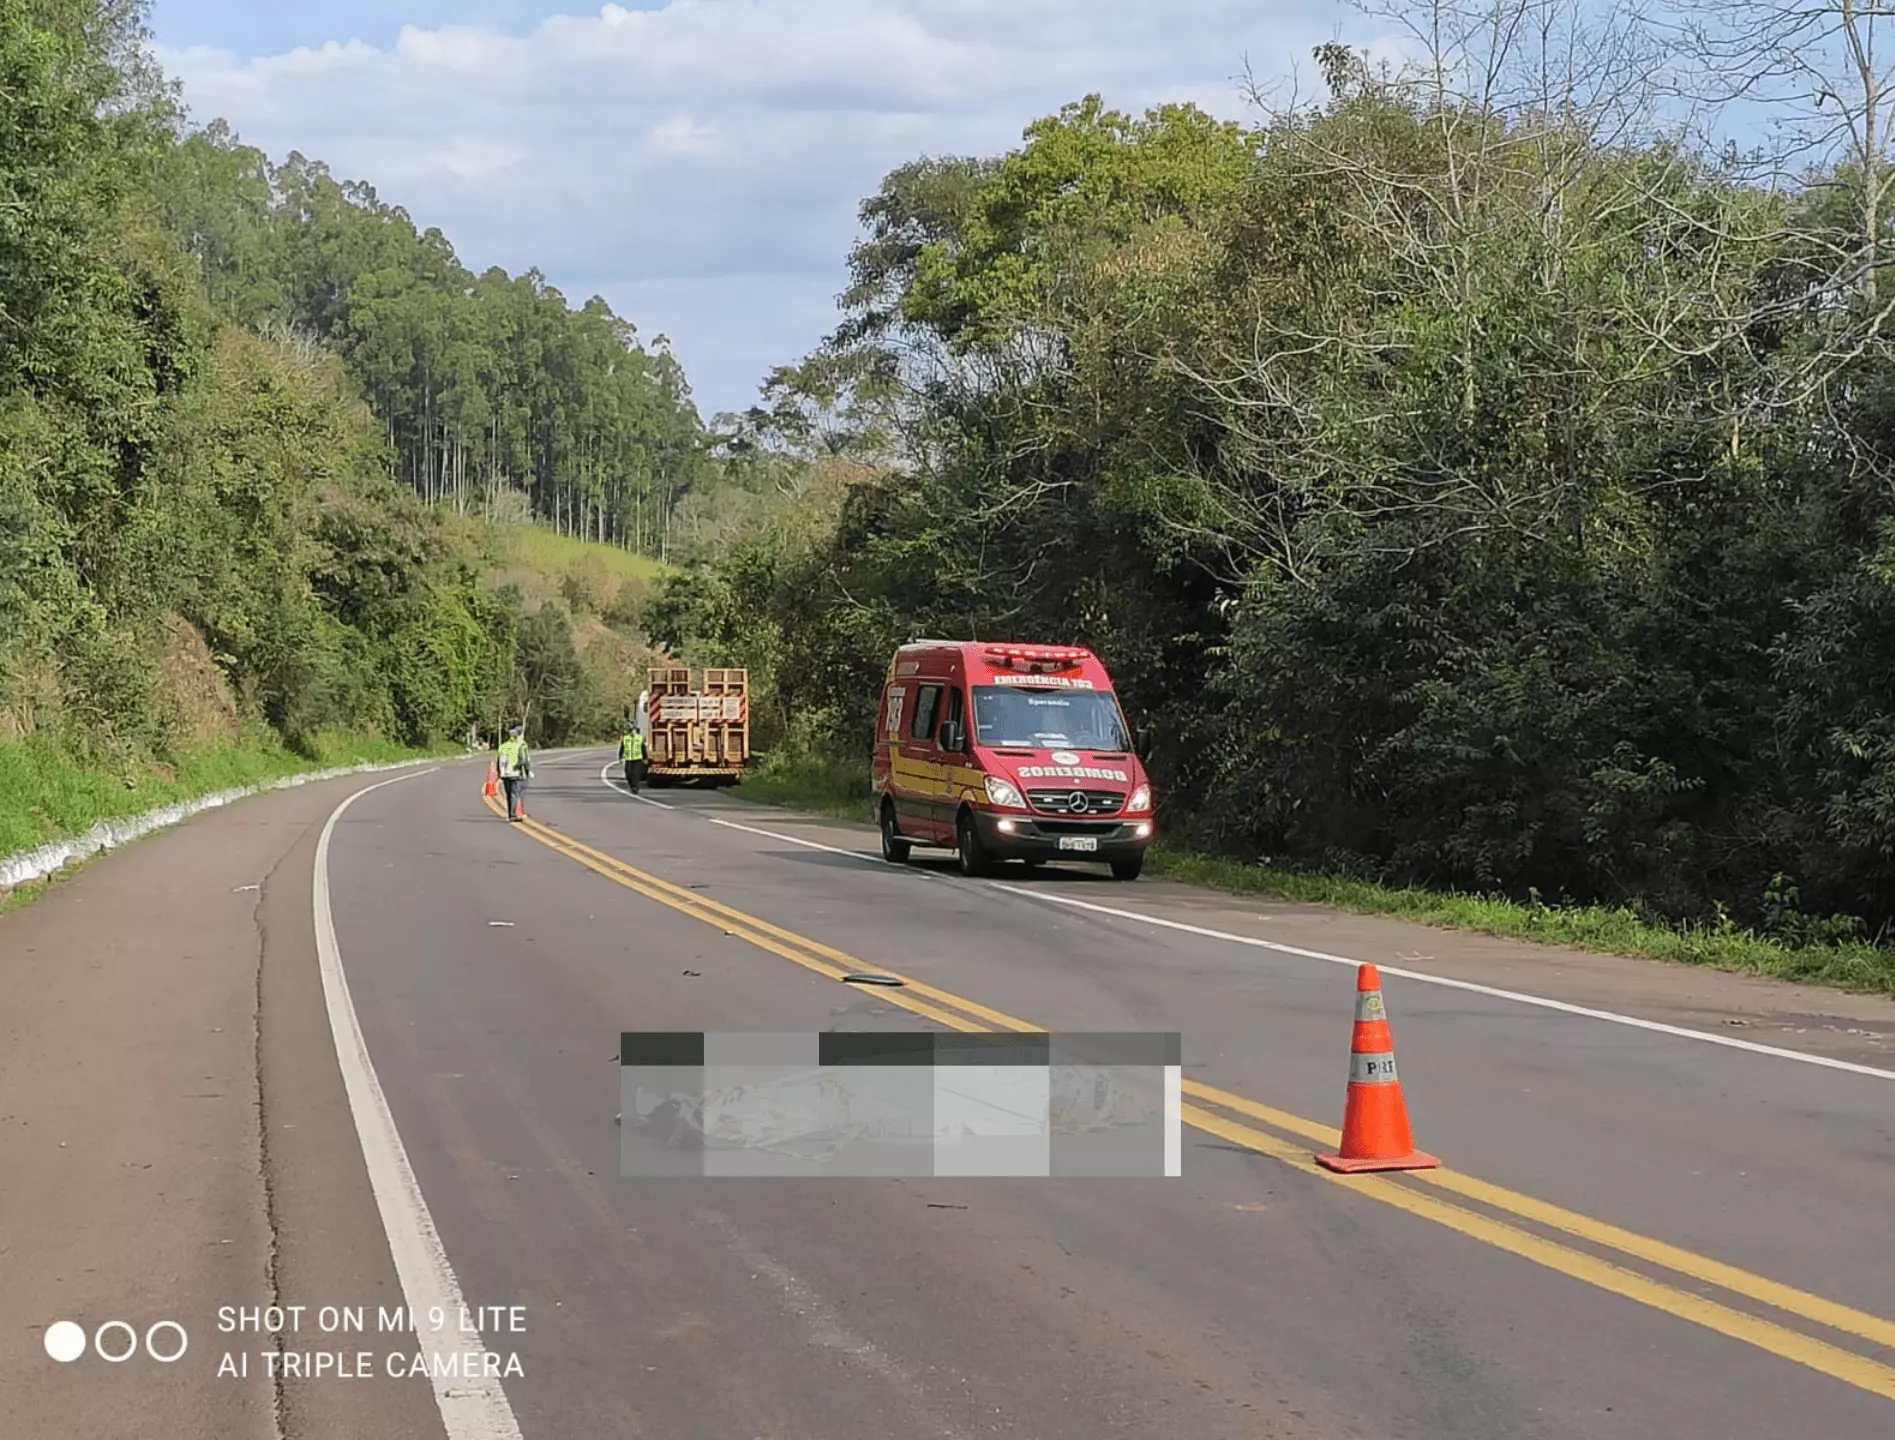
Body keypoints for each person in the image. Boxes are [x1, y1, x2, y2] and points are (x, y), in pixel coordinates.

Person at [496, 724, 532, 821]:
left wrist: (499, 774)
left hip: (505, 774)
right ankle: (512, 815)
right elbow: (524, 760)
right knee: (515, 794)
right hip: (517, 773)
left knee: (508, 795)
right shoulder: (521, 745)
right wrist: (527, 771)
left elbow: (499, 761)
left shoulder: (503, 746)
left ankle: (510, 814)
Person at [618, 719, 646, 793]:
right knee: (628, 774)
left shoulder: (640, 738)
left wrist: (645, 758)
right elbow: (622, 748)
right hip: (628, 758)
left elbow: (643, 748)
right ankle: (632, 786)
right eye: (631, 729)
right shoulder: (625, 738)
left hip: (638, 759)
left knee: (636, 775)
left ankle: (635, 788)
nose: (633, 730)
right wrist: (620, 757)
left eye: (634, 729)